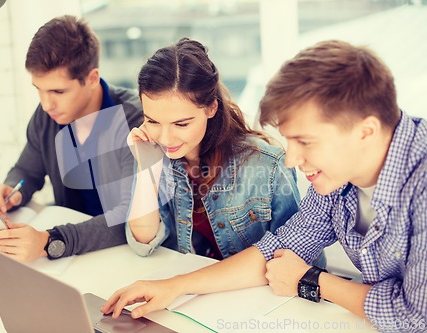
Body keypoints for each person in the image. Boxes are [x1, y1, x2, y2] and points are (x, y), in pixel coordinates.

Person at [101, 40, 427, 333]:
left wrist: (312, 280)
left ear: (365, 131)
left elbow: (416, 316)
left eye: (305, 141)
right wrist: (175, 286)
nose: (291, 159)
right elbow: (279, 248)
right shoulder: (337, 180)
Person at [124, 37, 304, 262]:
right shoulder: (152, 151)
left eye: (181, 124)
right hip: (190, 287)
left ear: (211, 108)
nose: (165, 138)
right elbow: (142, 243)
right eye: (152, 121)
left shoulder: (266, 166)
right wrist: (147, 170)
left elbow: (299, 258)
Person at [0, 15, 143, 262]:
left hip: (129, 255)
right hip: (75, 253)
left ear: (91, 78)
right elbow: (27, 171)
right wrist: (13, 188)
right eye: (39, 90)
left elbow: (130, 215)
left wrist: (51, 241)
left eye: (58, 91)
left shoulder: (135, 121)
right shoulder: (49, 116)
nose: (46, 104)